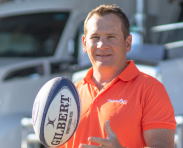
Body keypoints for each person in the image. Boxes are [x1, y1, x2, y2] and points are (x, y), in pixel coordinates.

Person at [58, 4, 176, 148]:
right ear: (84, 43)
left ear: (128, 43)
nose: (102, 45)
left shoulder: (151, 89)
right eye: (95, 37)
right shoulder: (71, 94)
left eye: (111, 37)